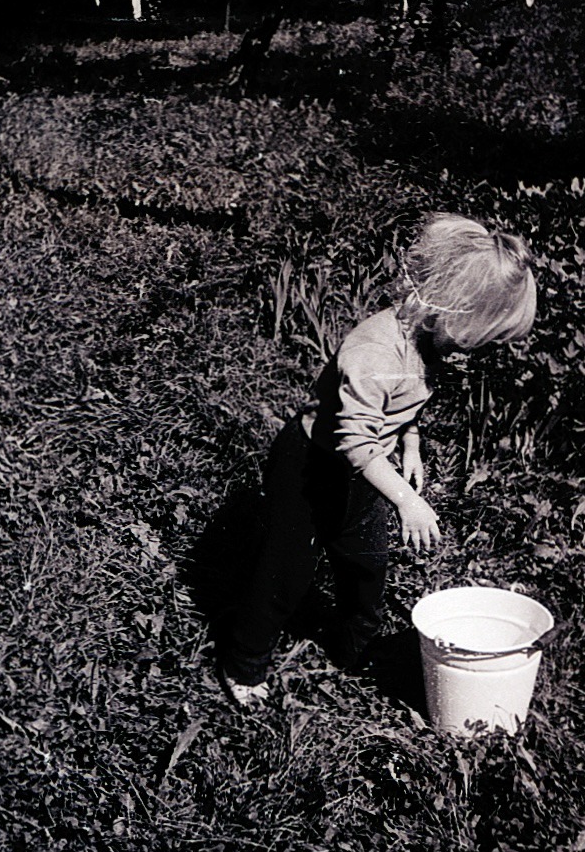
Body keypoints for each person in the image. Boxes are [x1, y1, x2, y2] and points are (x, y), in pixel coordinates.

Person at [217, 214, 537, 706]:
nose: (484, 353)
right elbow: (356, 441)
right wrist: (408, 502)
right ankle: (245, 663)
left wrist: (410, 444)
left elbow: (404, 408)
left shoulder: (429, 342)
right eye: (486, 338)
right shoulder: (375, 350)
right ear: (455, 311)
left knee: (367, 572)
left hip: (367, 472)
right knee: (285, 574)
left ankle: (354, 658)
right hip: (313, 467)